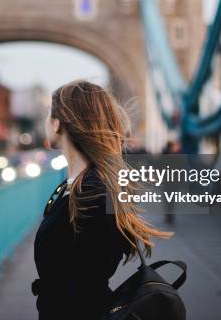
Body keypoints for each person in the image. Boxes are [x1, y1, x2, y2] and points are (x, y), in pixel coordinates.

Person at [32, 81, 171, 320]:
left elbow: (84, 285)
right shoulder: (79, 187)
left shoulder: (93, 195)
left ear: (57, 124)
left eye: (48, 114)